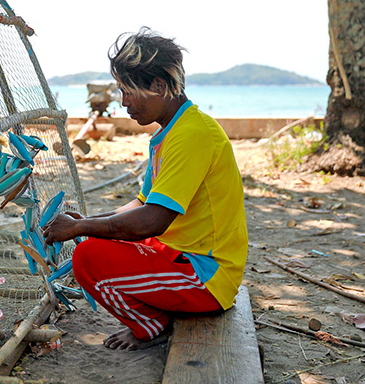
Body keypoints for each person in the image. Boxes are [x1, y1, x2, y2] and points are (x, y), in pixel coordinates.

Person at [44, 27, 247, 351]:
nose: (123, 102)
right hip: (185, 257)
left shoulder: (192, 134)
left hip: (207, 278)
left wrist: (80, 228)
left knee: (87, 257)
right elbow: (142, 203)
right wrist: (89, 221)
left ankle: (151, 325)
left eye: (128, 91)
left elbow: (152, 221)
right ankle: (158, 310)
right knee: (99, 241)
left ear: (158, 86)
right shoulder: (175, 131)